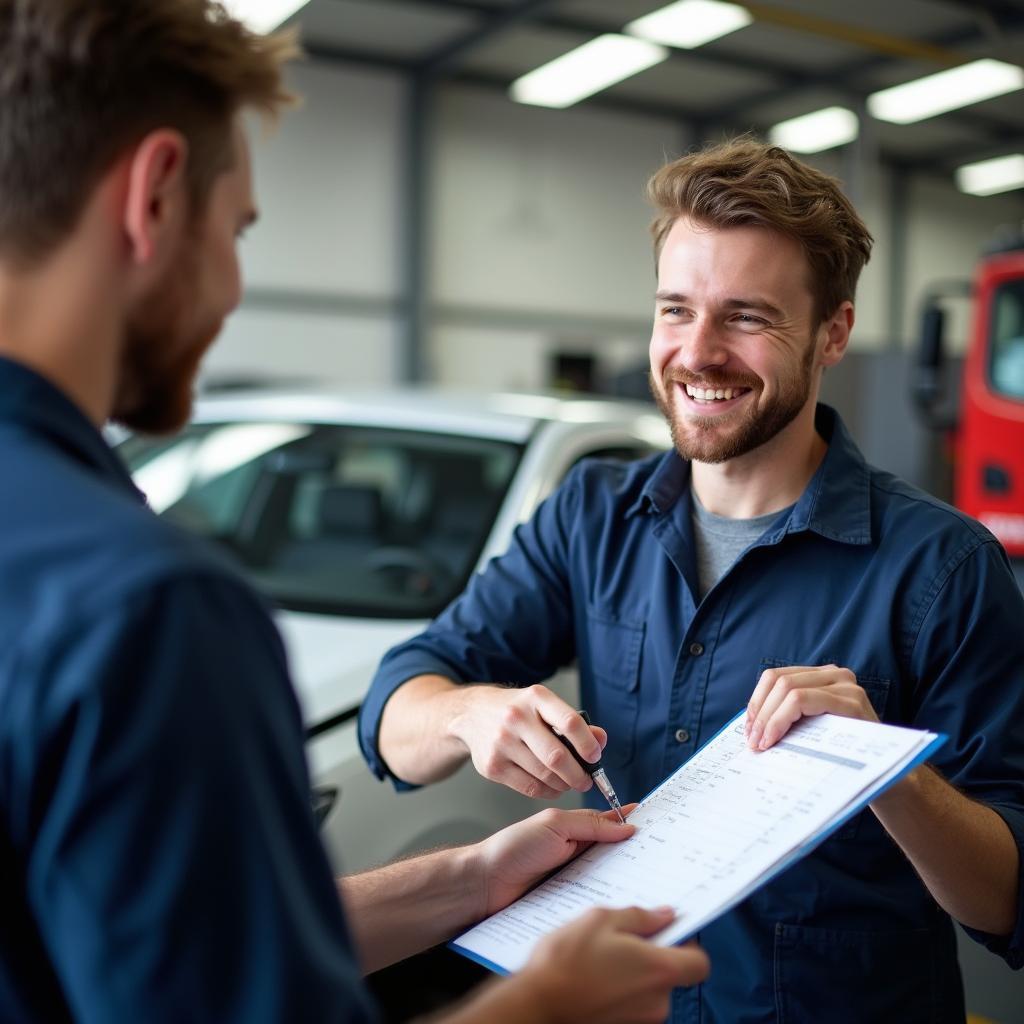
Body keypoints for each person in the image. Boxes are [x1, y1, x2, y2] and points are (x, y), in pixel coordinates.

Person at [0, 2, 711, 1021]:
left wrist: (465, 878)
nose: (234, 285)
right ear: (155, 195)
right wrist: (546, 1008)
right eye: (237, 229)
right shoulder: (148, 612)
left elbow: (173, 943)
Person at [360, 138, 1024, 1022]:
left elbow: (1007, 901)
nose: (698, 353)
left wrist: (887, 773)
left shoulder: (940, 568)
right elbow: (395, 706)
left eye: (747, 317)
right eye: (677, 309)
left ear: (833, 333)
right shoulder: (591, 518)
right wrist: (469, 713)